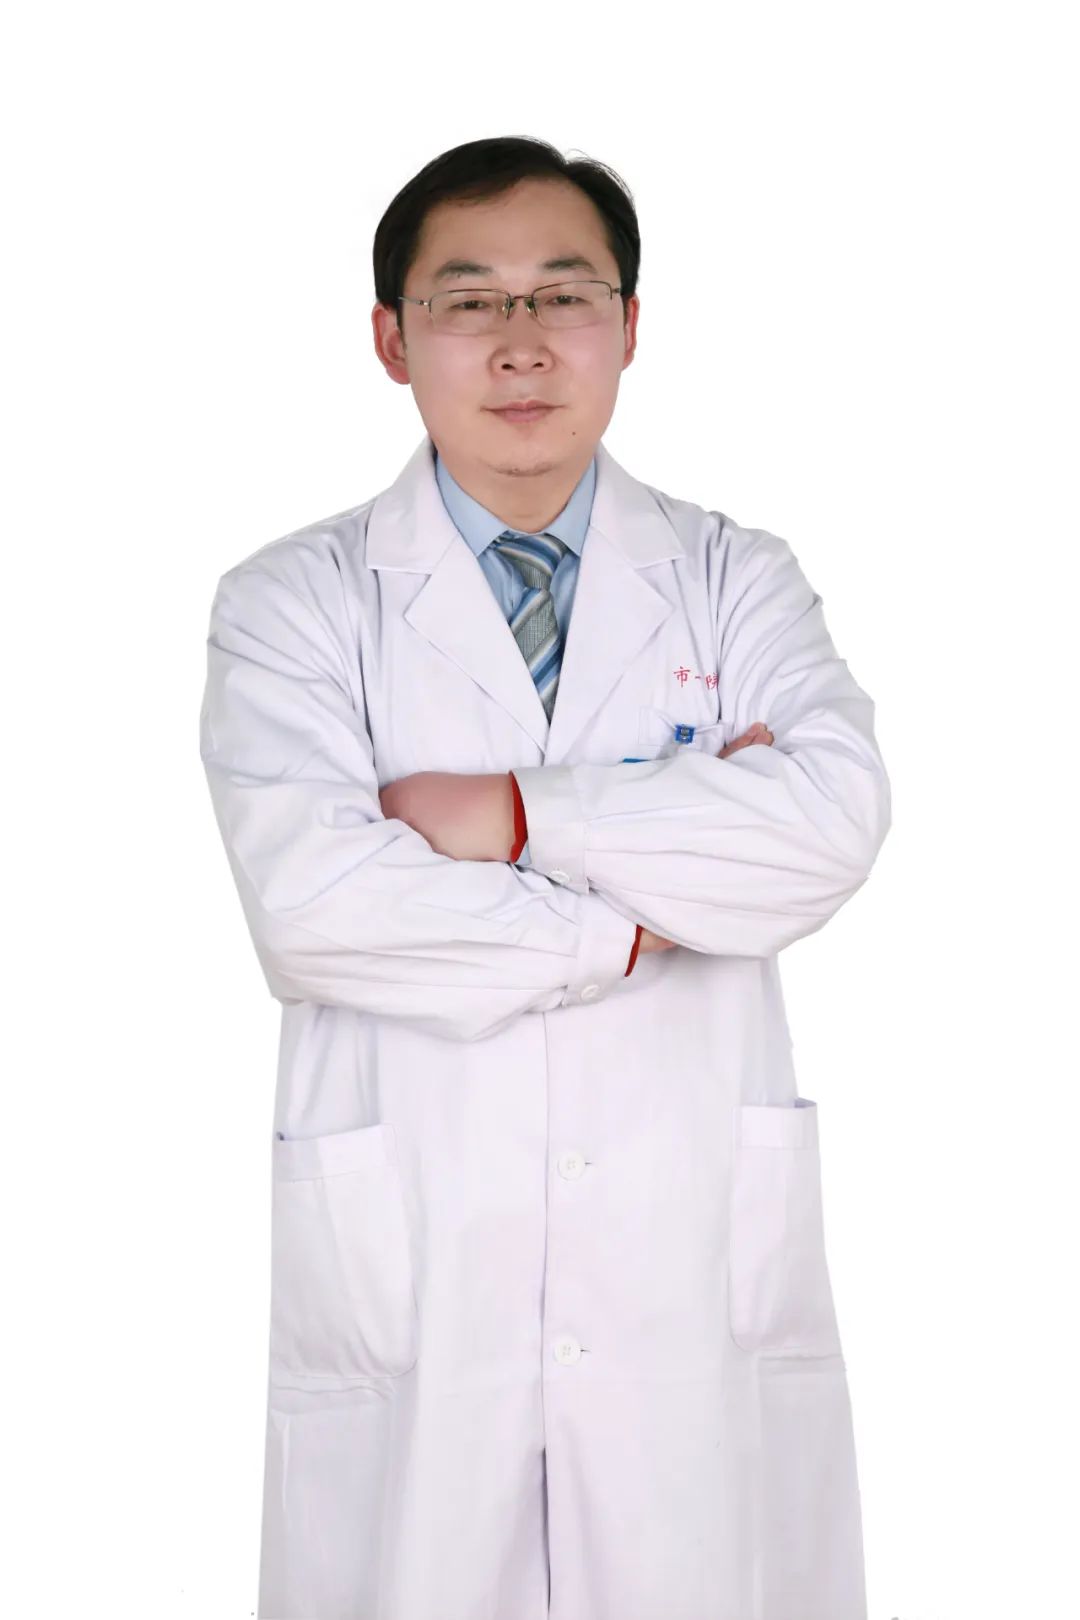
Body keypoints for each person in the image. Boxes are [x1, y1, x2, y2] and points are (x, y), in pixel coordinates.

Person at [199, 134, 892, 1620]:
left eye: (564, 295)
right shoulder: (294, 604)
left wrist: (511, 812)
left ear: (629, 326)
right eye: (469, 302)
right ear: (392, 339)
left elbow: (829, 825)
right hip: (419, 1268)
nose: (521, 344)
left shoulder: (736, 577)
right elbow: (316, 911)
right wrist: (643, 920)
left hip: (686, 1256)